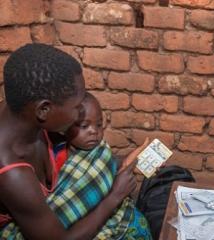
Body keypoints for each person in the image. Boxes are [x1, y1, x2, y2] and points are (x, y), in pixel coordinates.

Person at [0, 43, 150, 239]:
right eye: (77, 106)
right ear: (44, 110)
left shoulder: (23, 113)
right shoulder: (12, 175)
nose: (81, 111)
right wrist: (114, 197)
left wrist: (121, 161)